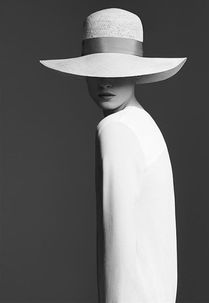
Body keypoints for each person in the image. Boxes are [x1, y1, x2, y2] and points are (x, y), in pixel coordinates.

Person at [39, 7, 187, 303]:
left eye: (117, 69)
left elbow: (117, 245)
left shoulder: (116, 130)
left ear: (136, 71)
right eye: (97, 70)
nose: (106, 81)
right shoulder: (144, 124)